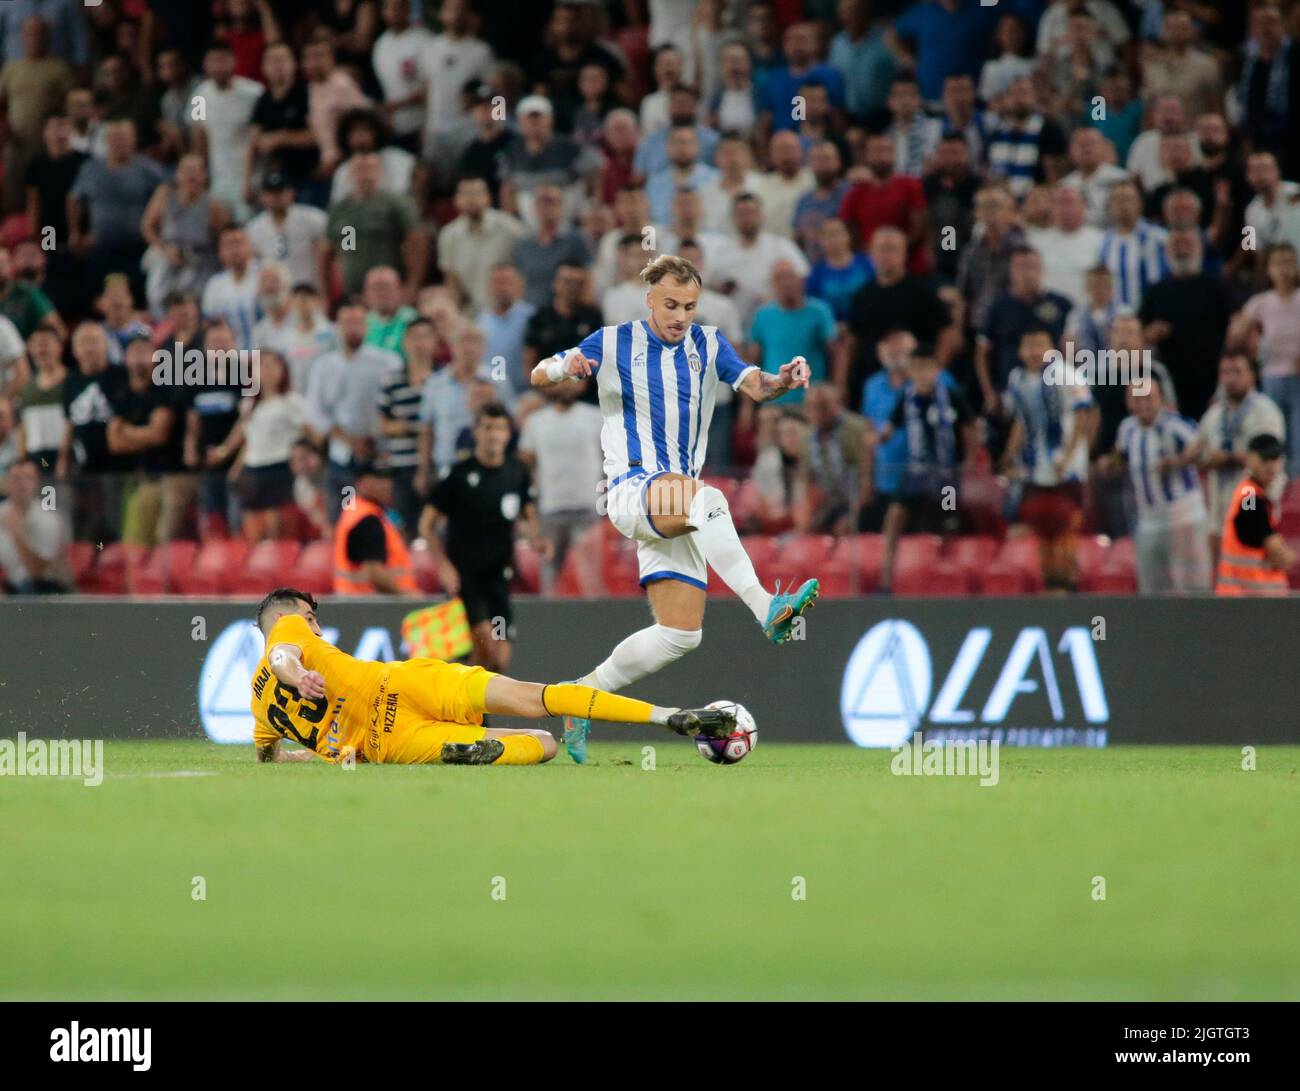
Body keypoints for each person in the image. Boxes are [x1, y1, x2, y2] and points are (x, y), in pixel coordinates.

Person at [531, 254, 820, 763]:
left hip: (676, 503)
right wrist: (563, 367)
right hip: (630, 488)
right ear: (649, 300)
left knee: (680, 635)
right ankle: (765, 607)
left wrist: (785, 379)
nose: (680, 315)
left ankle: (580, 698)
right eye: (670, 304)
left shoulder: (709, 345)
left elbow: (756, 385)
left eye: (688, 305)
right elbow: (538, 374)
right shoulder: (614, 340)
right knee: (707, 498)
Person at [250, 587, 741, 767]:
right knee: (540, 697)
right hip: (400, 683)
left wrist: (301, 753)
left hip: (388, 742)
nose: (313, 622)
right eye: (308, 615)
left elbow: (267, 754)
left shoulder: (257, 707)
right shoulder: (287, 628)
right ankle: (668, 716)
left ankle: (469, 749)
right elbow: (283, 659)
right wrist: (295, 675)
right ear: (282, 617)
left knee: (541, 744)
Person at [418, 403, 548, 673]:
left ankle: (468, 706)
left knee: (499, 661)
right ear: (476, 432)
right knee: (485, 647)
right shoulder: (458, 475)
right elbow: (426, 525)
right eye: (487, 427)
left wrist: (536, 539)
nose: (493, 434)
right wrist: (443, 566)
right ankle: (470, 712)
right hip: (466, 579)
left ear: (508, 433)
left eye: (499, 428)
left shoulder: (517, 472)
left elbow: (526, 514)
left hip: (500, 578)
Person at [868, 348, 977, 593]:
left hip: (946, 477)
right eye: (917, 367)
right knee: (894, 518)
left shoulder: (950, 395)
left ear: (937, 370)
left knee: (948, 523)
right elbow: (890, 427)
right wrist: (875, 439)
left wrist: (970, 459)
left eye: (927, 367)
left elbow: (971, 427)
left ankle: (950, 580)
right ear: (910, 371)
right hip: (916, 473)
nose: (923, 373)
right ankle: (885, 582)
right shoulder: (906, 398)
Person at [1001, 327, 1097, 593]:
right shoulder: (1017, 379)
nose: (1033, 352)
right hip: (1034, 468)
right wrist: (1009, 454)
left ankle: (1070, 585)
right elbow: (1020, 421)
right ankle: (1047, 583)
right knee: (1040, 531)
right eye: (1028, 345)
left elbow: (1083, 415)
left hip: (1064, 469)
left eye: (1039, 345)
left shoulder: (1066, 373)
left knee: (1067, 527)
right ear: (1020, 350)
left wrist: (1068, 455)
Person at [1105, 380, 1212, 595]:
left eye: (1148, 398)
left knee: (1193, 587)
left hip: (1184, 517)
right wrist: (1112, 463)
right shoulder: (1127, 429)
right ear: (1128, 402)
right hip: (1147, 520)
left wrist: (1177, 461)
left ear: (1160, 399)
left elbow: (1200, 445)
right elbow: (1121, 455)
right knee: (1152, 589)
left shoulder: (1175, 424)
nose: (1143, 404)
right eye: (1137, 399)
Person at [1198, 352, 1287, 569]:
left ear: (1251, 376)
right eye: (1226, 372)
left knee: (1253, 567)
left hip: (1251, 503)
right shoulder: (1214, 414)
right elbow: (1198, 453)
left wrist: (1226, 458)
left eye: (1237, 372)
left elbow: (1268, 460)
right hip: (1220, 507)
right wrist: (1206, 459)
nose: (1231, 379)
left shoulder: (1265, 412)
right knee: (1227, 577)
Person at [517, 377, 603, 592]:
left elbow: (612, 459)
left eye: (572, 380)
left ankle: (594, 621)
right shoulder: (535, 421)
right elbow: (525, 464)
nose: (565, 385)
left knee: (589, 573)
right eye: (560, 380)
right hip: (550, 507)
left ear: (582, 384)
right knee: (550, 571)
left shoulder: (596, 417)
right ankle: (549, 621)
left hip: (588, 506)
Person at [1214, 433, 1294, 596]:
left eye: (1275, 459)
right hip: (1246, 602)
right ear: (1250, 459)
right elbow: (1280, 554)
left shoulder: (1258, 494)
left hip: (1254, 601)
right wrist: (1282, 552)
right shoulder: (1249, 495)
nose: (1271, 465)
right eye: (1264, 459)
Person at [331, 462, 418, 595]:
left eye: (389, 479)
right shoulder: (367, 519)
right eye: (380, 479)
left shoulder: (356, 511)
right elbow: (374, 572)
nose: (388, 485)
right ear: (362, 483)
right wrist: (410, 597)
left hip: (354, 603)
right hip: (371, 605)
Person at [0, 455, 72, 593]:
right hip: (7, 586)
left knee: (29, 587)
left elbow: (38, 571)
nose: (21, 484)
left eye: (27, 478)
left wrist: (17, 534)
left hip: (42, 588)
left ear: (36, 482)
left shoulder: (49, 519)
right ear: (7, 482)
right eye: (15, 478)